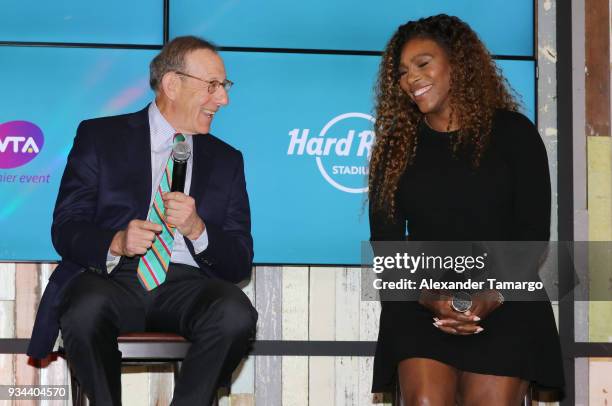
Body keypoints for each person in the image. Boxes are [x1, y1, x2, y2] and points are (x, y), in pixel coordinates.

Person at [28, 36, 257, 406]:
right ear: (172, 84)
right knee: (84, 310)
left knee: (234, 313)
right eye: (212, 86)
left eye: (224, 87)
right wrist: (116, 241)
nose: (223, 99)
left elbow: (239, 260)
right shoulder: (100, 137)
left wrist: (198, 229)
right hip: (113, 278)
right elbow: (66, 226)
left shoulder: (227, 160)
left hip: (188, 285)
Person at [368, 15, 564, 405]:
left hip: (506, 295)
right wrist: (429, 296)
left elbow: (531, 235)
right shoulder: (395, 147)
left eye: (423, 64)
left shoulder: (514, 134)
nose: (411, 79)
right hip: (422, 300)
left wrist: (493, 294)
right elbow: (387, 246)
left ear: (457, 61)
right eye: (403, 72)